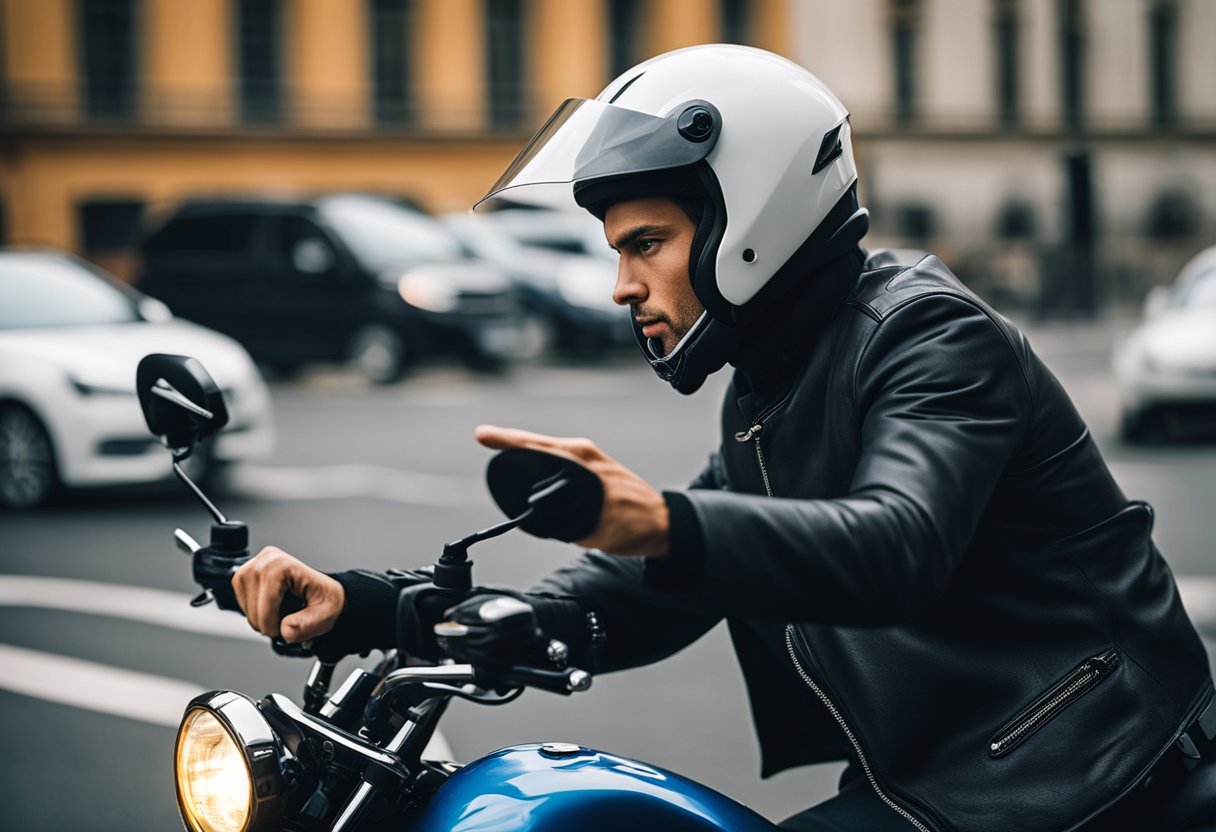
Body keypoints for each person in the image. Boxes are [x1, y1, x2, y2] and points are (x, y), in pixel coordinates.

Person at [232, 45, 1213, 830]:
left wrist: (661, 519)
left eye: (644, 245)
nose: (622, 285)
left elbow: (895, 544)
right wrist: (369, 608)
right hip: (957, 769)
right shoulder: (769, 383)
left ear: (750, 213)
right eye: (616, 253)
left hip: (1080, 766)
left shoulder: (925, 333)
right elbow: (666, 586)